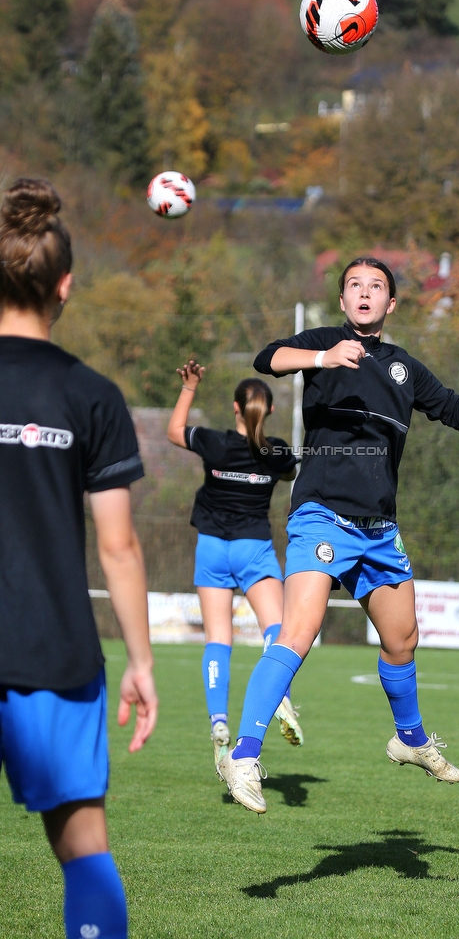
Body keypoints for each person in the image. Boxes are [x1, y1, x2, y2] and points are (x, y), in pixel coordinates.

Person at [217, 256, 459, 813]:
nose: (365, 293)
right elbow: (268, 358)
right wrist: (323, 357)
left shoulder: (405, 367)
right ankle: (245, 752)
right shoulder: (326, 343)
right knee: (298, 632)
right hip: (322, 515)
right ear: (344, 297)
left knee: (403, 640)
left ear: (391, 303)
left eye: (376, 286)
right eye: (354, 284)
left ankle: (411, 739)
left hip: (379, 529)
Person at [0, 178, 158, 939]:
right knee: (81, 844)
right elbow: (118, 545)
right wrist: (141, 661)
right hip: (53, 650)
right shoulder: (93, 396)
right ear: (66, 286)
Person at [167, 365, 301, 766]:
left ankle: (219, 720)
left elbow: (174, 431)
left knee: (218, 638)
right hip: (253, 549)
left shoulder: (214, 443)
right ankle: (282, 697)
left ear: (235, 409)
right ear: (270, 410)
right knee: (277, 628)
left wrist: (190, 386)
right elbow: (293, 469)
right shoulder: (276, 452)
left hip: (212, 547)